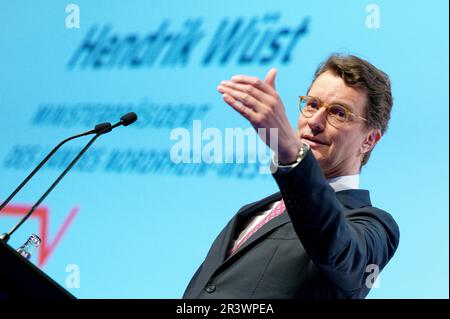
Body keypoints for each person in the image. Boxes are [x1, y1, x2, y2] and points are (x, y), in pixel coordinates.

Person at [183, 54, 400, 299]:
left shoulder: (373, 226)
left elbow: (339, 251)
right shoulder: (254, 212)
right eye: (312, 105)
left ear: (369, 140)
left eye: (339, 113)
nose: (315, 122)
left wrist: (291, 152)